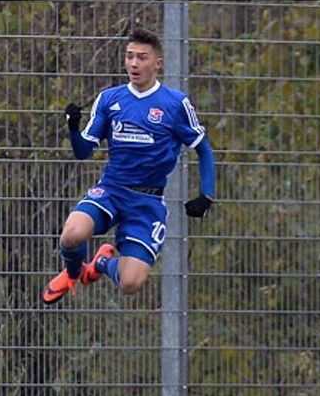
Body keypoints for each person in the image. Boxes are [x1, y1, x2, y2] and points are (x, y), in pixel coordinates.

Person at [42, 27, 216, 303]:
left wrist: (206, 195)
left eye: (142, 58)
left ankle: (100, 264)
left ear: (157, 64)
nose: (134, 64)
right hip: (111, 190)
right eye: (129, 57)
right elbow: (83, 152)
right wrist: (73, 128)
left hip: (146, 202)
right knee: (72, 235)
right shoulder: (110, 99)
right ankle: (73, 273)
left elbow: (204, 151)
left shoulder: (175, 104)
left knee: (131, 283)